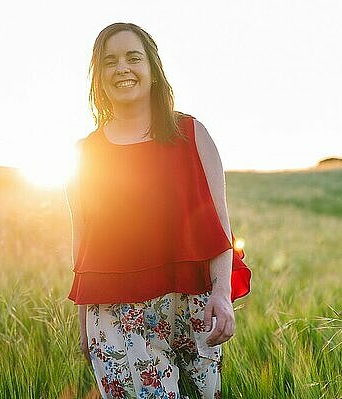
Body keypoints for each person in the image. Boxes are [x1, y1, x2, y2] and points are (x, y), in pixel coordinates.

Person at [65, 22, 251, 399]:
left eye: (133, 58)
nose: (122, 69)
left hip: (192, 305)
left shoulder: (192, 134)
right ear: (98, 77)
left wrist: (222, 293)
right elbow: (82, 241)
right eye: (109, 62)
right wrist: (84, 319)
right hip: (116, 314)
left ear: (152, 69)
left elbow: (219, 223)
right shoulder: (84, 154)